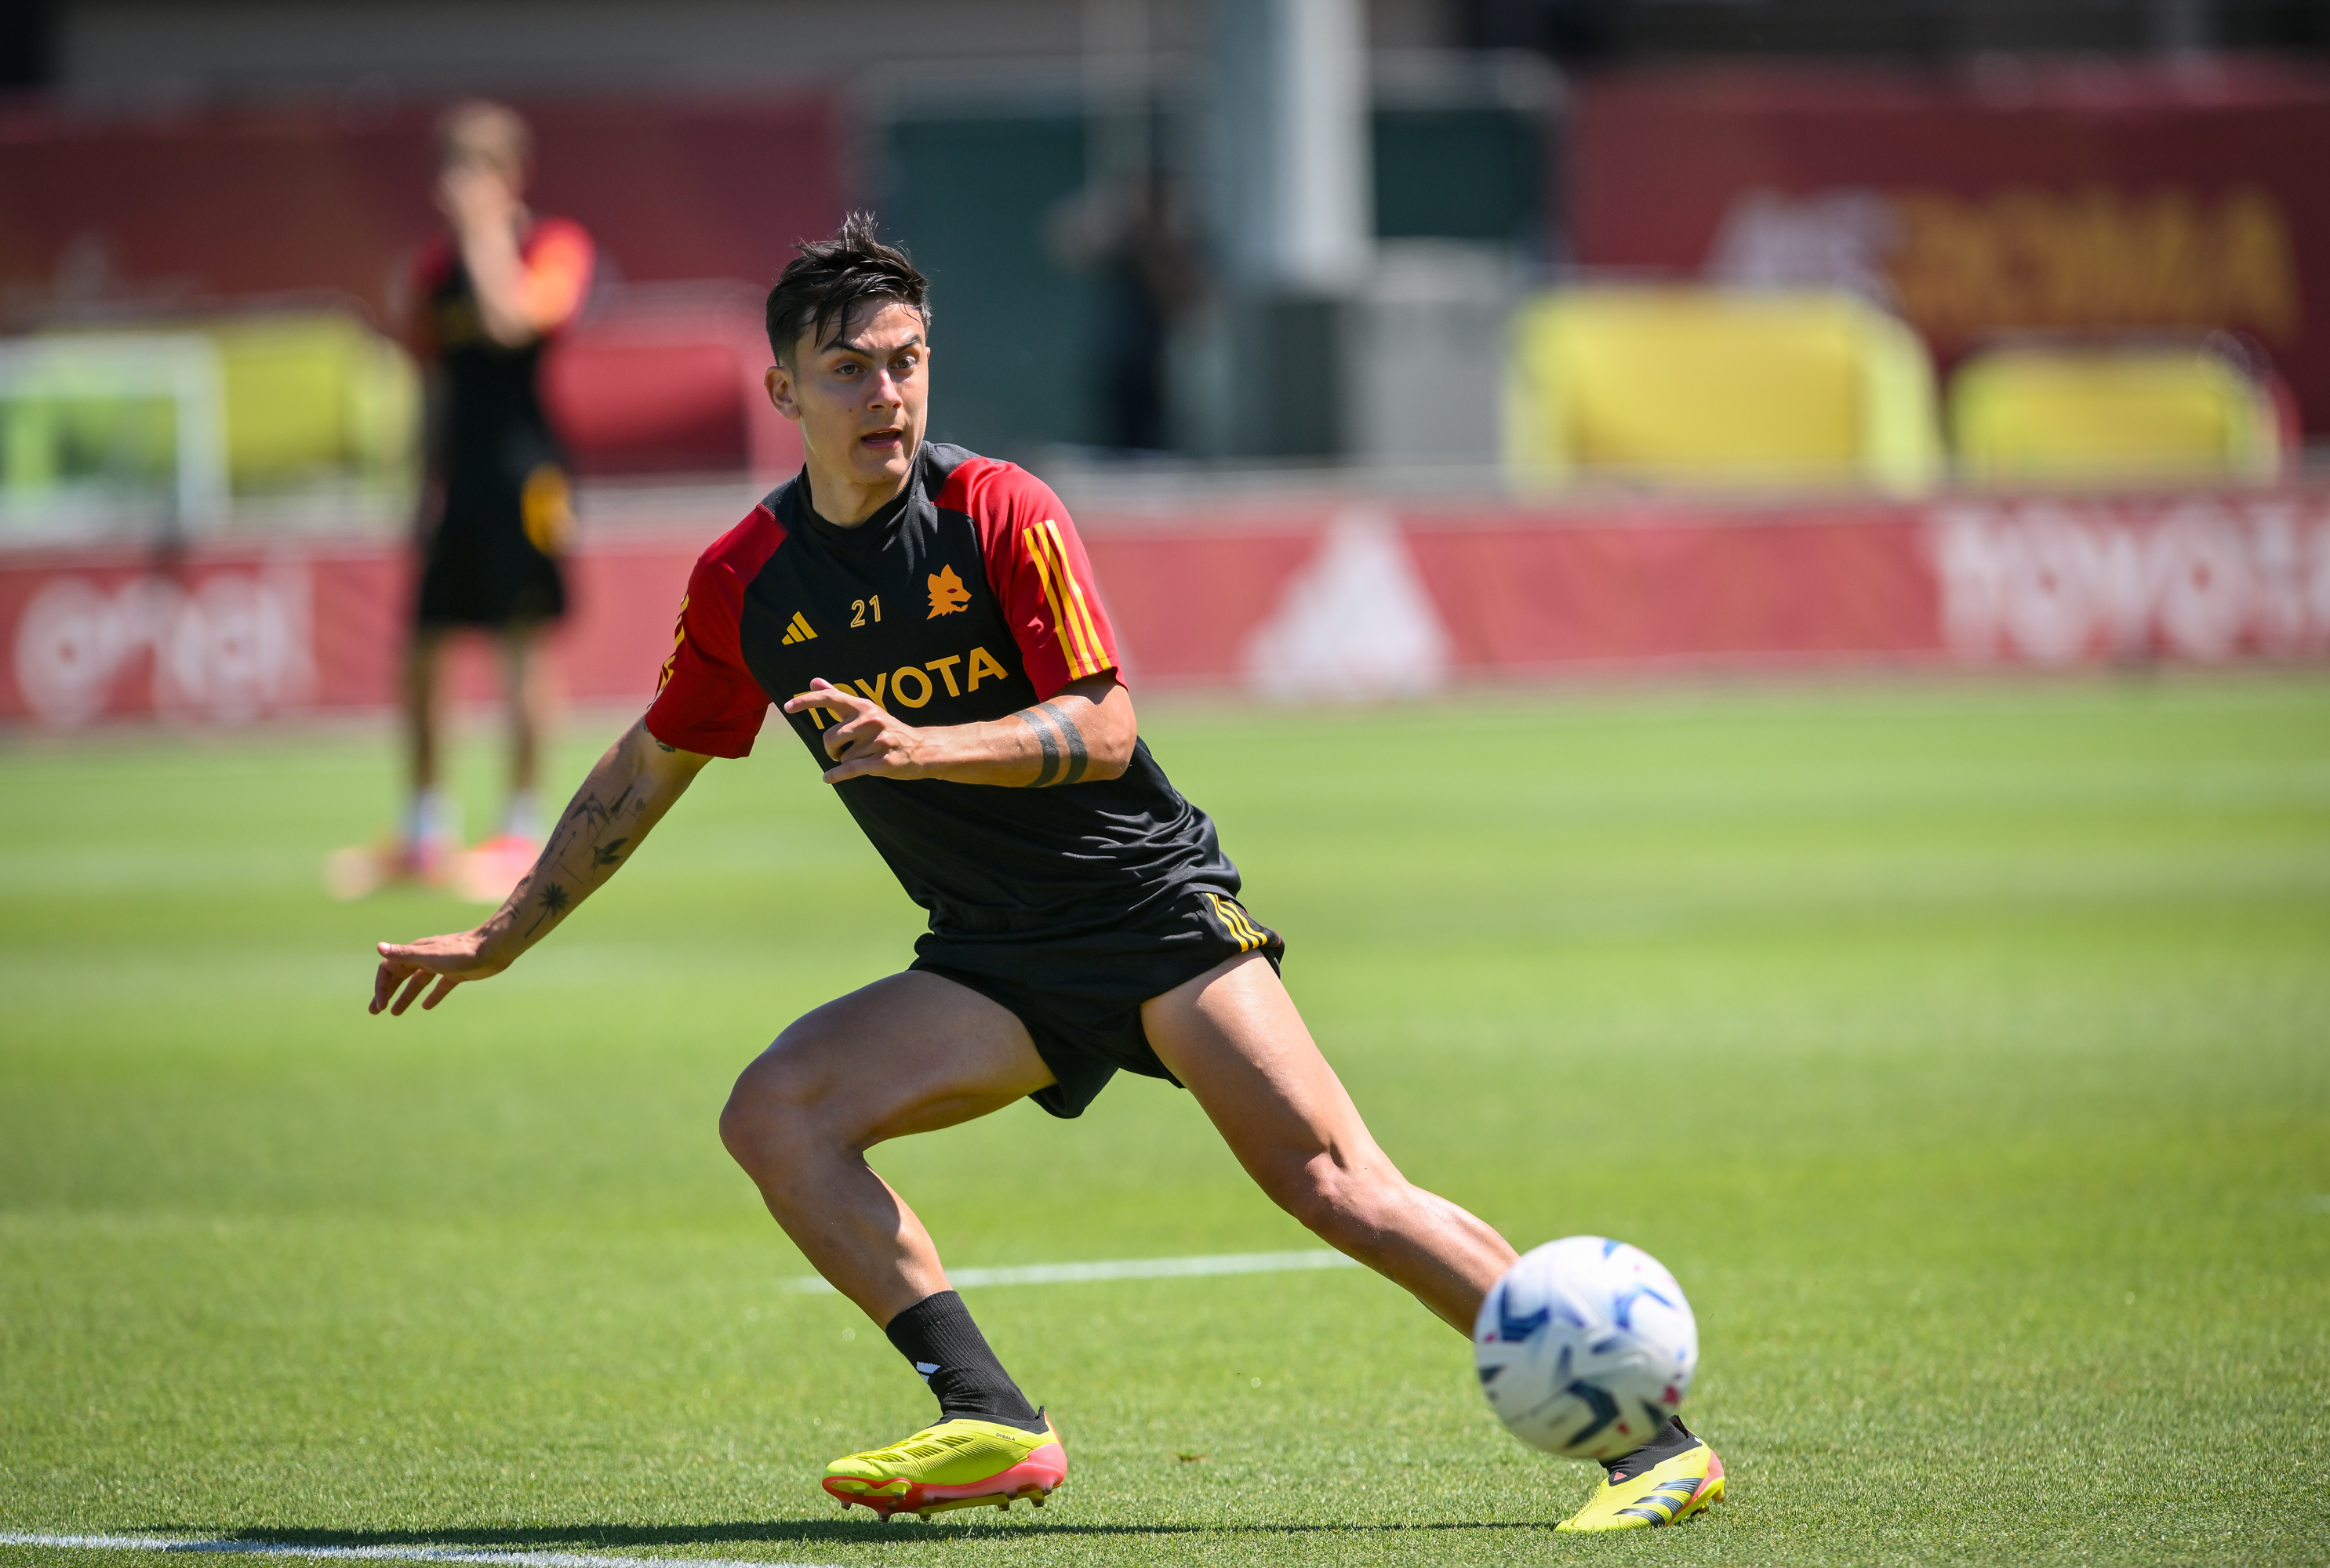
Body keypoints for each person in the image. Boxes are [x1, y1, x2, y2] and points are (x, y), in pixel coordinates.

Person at [364, 213, 1722, 1532]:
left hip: (1148, 915)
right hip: (993, 954)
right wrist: (500, 937)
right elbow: (648, 764)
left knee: (1338, 1188)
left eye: (905, 360)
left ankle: (1653, 1447)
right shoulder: (748, 581)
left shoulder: (998, 509)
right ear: (783, 388)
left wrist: (925, 745)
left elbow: (1107, 724)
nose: (885, 392)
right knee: (776, 1111)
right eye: (849, 369)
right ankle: (993, 1415)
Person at [329, 101, 594, 902]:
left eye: (473, 171)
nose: (454, 187)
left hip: (527, 477)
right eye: (448, 171)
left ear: (510, 177)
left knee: (524, 647)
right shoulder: (429, 270)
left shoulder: (553, 247)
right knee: (420, 652)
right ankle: (421, 831)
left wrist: (485, 233)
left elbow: (514, 322)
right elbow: (433, 380)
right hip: (458, 481)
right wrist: (419, 484)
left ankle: (520, 828)